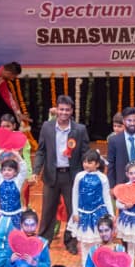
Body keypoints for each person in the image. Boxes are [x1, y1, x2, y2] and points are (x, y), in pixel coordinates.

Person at [33, 95, 90, 254]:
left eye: (67, 110)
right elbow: (41, 151)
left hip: (71, 176)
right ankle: (44, 241)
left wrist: (89, 171)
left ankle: (71, 241)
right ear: (56, 110)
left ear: (72, 111)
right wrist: (36, 171)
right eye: (61, 109)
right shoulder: (47, 127)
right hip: (51, 174)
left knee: (73, 210)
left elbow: (85, 152)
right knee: (48, 210)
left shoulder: (79, 130)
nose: (64, 112)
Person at [71, 150, 113, 267]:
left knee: (97, 240)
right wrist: (75, 212)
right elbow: (75, 194)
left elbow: (106, 196)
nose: (86, 164)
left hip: (98, 213)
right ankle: (85, 265)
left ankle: (97, 263)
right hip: (83, 214)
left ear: (97, 164)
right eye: (84, 162)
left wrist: (111, 213)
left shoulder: (102, 178)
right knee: (84, 242)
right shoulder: (79, 176)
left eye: (90, 162)